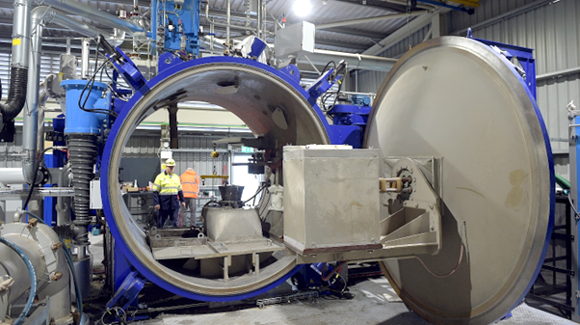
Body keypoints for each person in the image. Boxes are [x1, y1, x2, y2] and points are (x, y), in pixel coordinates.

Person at [152, 158, 185, 228]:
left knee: (174, 220)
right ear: (166, 167)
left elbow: (180, 190)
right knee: (161, 220)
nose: (172, 169)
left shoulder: (176, 177)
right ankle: (159, 233)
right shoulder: (160, 177)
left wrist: (182, 201)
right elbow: (155, 191)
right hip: (164, 203)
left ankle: (174, 235)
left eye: (173, 167)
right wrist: (156, 203)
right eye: (170, 167)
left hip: (174, 203)